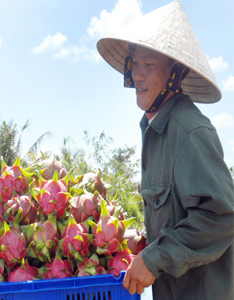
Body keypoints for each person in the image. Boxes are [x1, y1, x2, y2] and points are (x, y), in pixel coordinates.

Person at [97, 1, 234, 299]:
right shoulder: (155, 129)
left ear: (175, 73)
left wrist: (155, 257)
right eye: (134, 64)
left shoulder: (189, 131)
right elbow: (176, 218)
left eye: (149, 65)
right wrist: (148, 243)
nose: (138, 75)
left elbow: (222, 217)